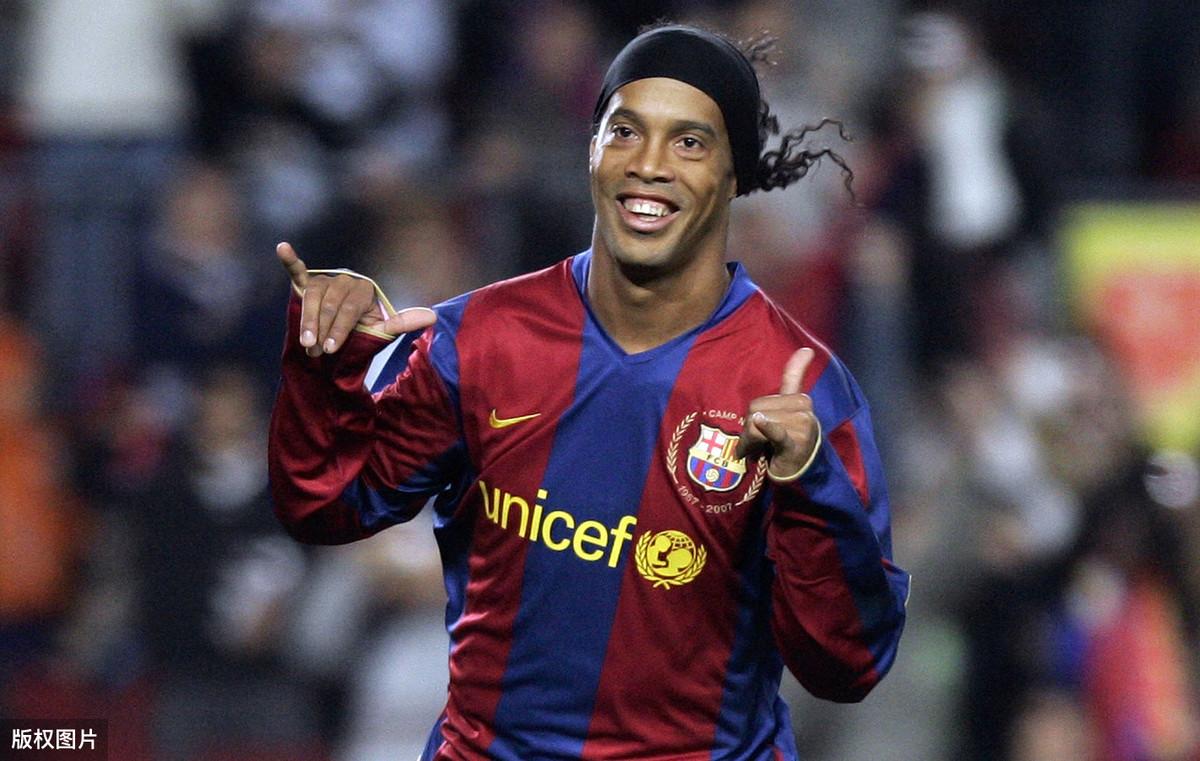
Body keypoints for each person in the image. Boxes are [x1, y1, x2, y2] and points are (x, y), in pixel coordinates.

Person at [268, 23, 910, 760]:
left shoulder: (800, 386)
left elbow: (849, 663)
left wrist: (810, 485)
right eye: (625, 131)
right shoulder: (483, 338)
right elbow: (325, 504)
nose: (650, 164)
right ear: (592, 150)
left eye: (689, 142)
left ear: (736, 174)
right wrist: (327, 365)